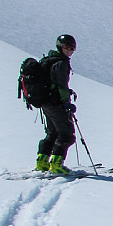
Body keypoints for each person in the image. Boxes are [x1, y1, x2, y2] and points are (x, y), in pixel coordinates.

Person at [35, 34, 78, 174]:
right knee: (67, 135)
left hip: (46, 103)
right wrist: (67, 103)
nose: (69, 51)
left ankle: (42, 162)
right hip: (56, 103)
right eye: (67, 47)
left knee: (52, 133)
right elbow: (61, 85)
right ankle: (56, 165)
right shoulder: (61, 63)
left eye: (72, 48)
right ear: (60, 46)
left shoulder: (48, 60)